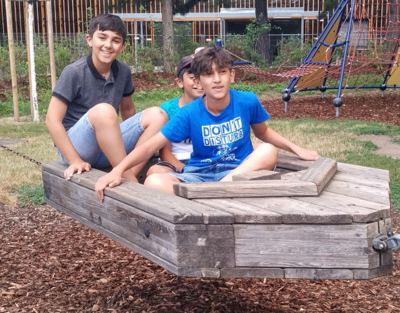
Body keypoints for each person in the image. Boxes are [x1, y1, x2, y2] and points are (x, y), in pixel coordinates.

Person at [94, 45, 319, 201]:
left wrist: (297, 149)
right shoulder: (189, 113)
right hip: (200, 175)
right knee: (153, 182)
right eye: (209, 74)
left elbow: (264, 133)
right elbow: (150, 146)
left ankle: (219, 190)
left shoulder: (247, 100)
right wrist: (118, 170)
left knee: (268, 151)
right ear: (199, 80)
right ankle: (219, 192)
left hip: (238, 170)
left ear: (232, 75)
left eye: (222, 72)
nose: (217, 79)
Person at [45, 14, 167, 182]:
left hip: (108, 148)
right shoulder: (74, 72)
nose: (108, 45)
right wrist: (74, 160)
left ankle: (127, 172)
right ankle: (131, 181)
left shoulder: (123, 71)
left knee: (159, 115)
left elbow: (127, 110)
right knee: (105, 111)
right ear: (89, 40)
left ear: (123, 46)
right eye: (102, 38)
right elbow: (52, 120)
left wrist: (131, 140)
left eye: (116, 40)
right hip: (77, 148)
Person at [146, 54, 204, 176]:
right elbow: (165, 152)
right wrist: (185, 169)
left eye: (204, 76)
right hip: (175, 161)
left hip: (205, 161)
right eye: (193, 77)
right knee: (154, 172)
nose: (198, 82)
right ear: (180, 82)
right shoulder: (168, 110)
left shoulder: (216, 106)